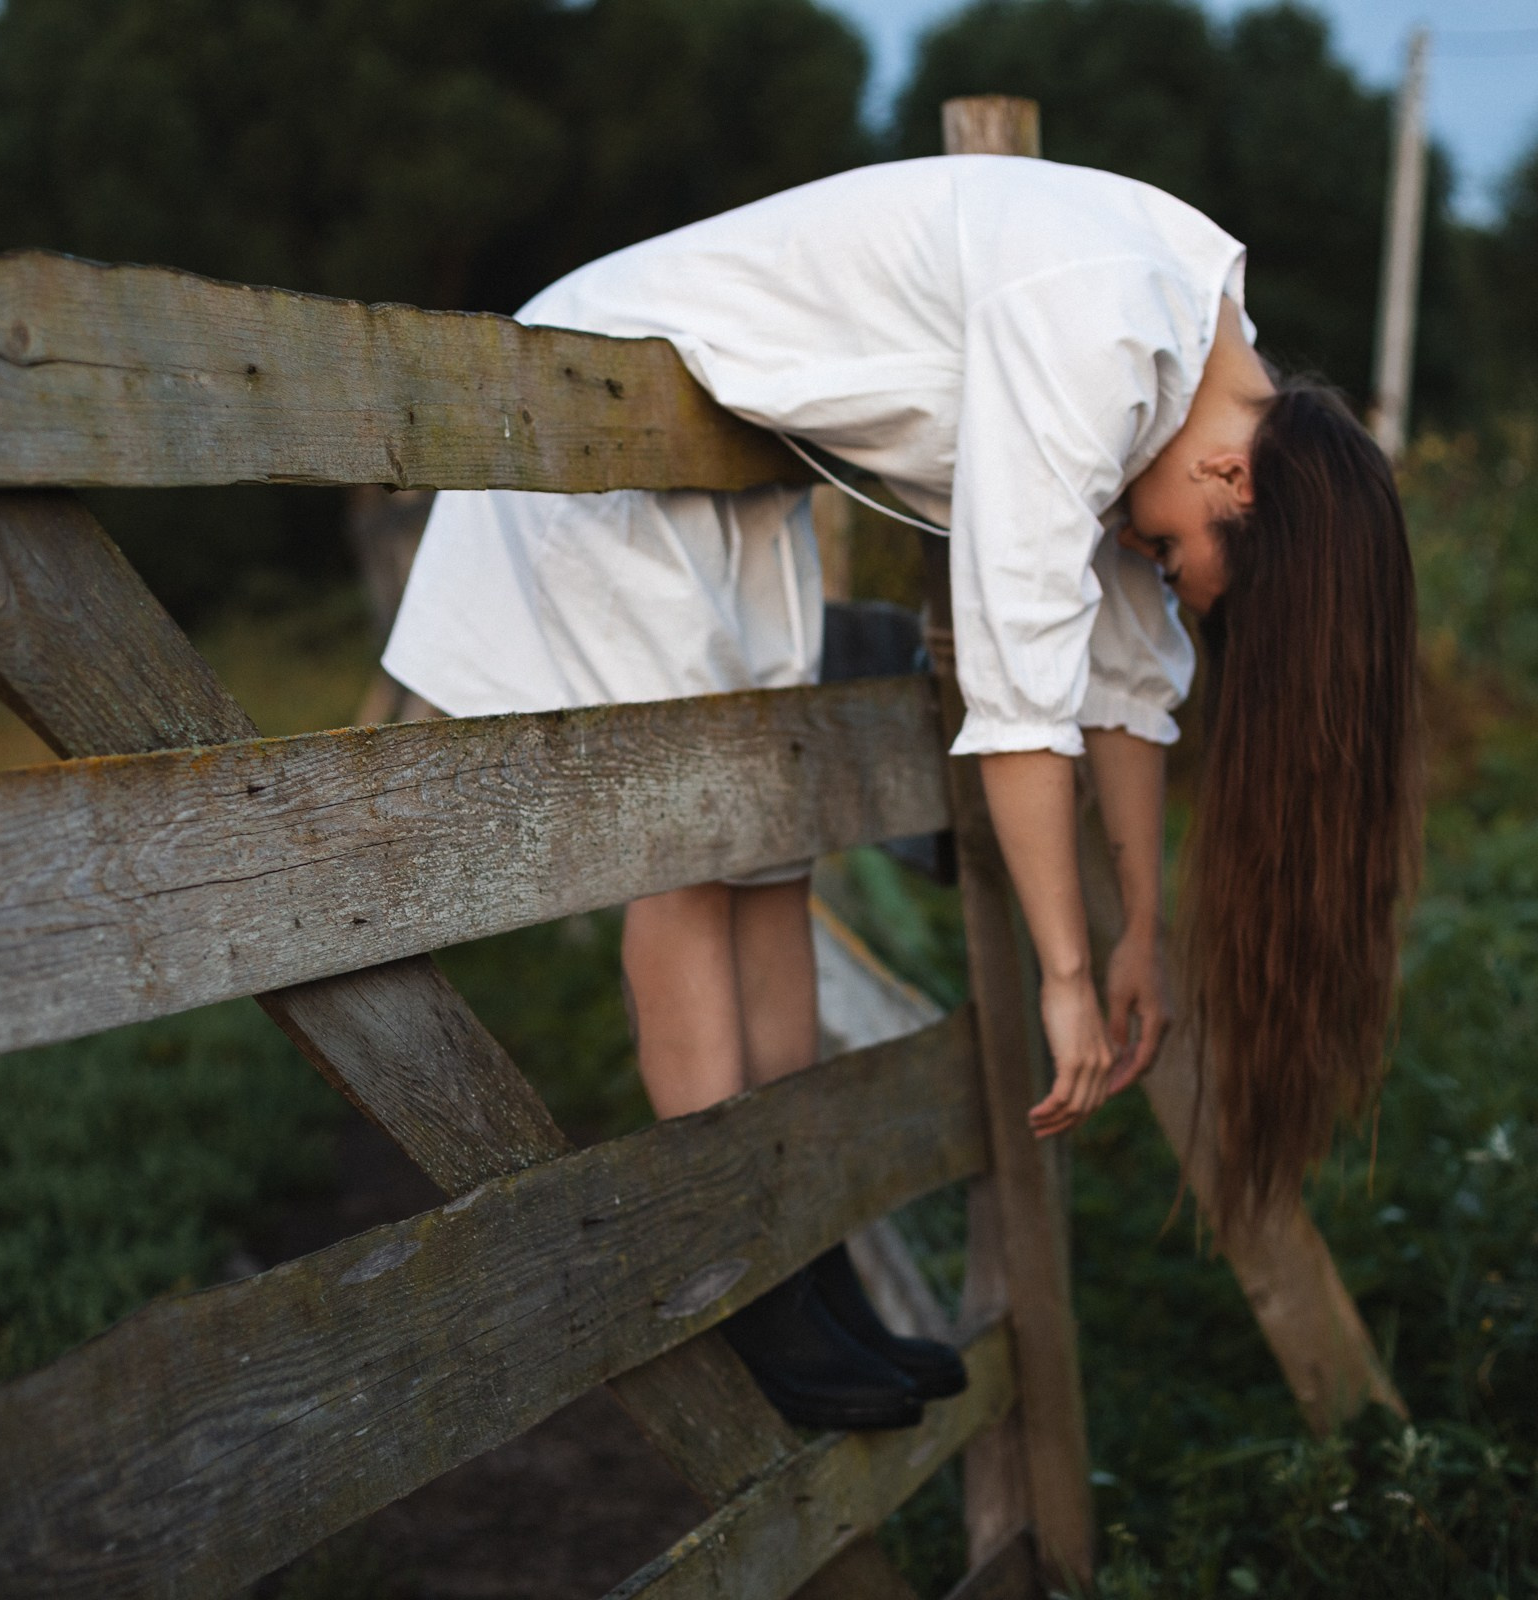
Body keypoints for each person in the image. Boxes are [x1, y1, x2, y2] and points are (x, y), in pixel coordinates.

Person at [384, 155, 1420, 1431]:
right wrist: (1063, 974)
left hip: (726, 460)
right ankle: (737, 1275)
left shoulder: (1192, 358)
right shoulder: (1099, 325)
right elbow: (1024, 683)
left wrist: (1140, 927)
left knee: (770, 860)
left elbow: (1129, 676)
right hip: (602, 405)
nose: (1148, 559)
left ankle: (805, 1265)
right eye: (1170, 552)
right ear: (1237, 483)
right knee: (690, 854)